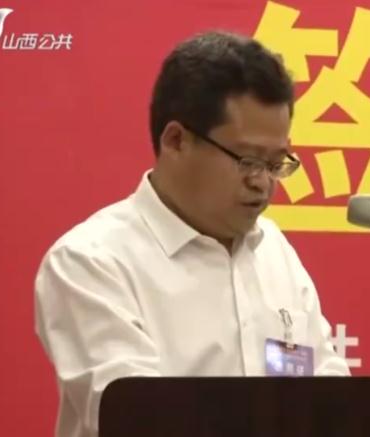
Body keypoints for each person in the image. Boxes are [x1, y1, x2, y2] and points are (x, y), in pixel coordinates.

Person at [34, 31, 349, 437]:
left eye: (276, 164)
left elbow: (328, 387)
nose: (263, 183)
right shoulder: (91, 262)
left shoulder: (274, 250)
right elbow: (137, 419)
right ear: (176, 141)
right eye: (248, 160)